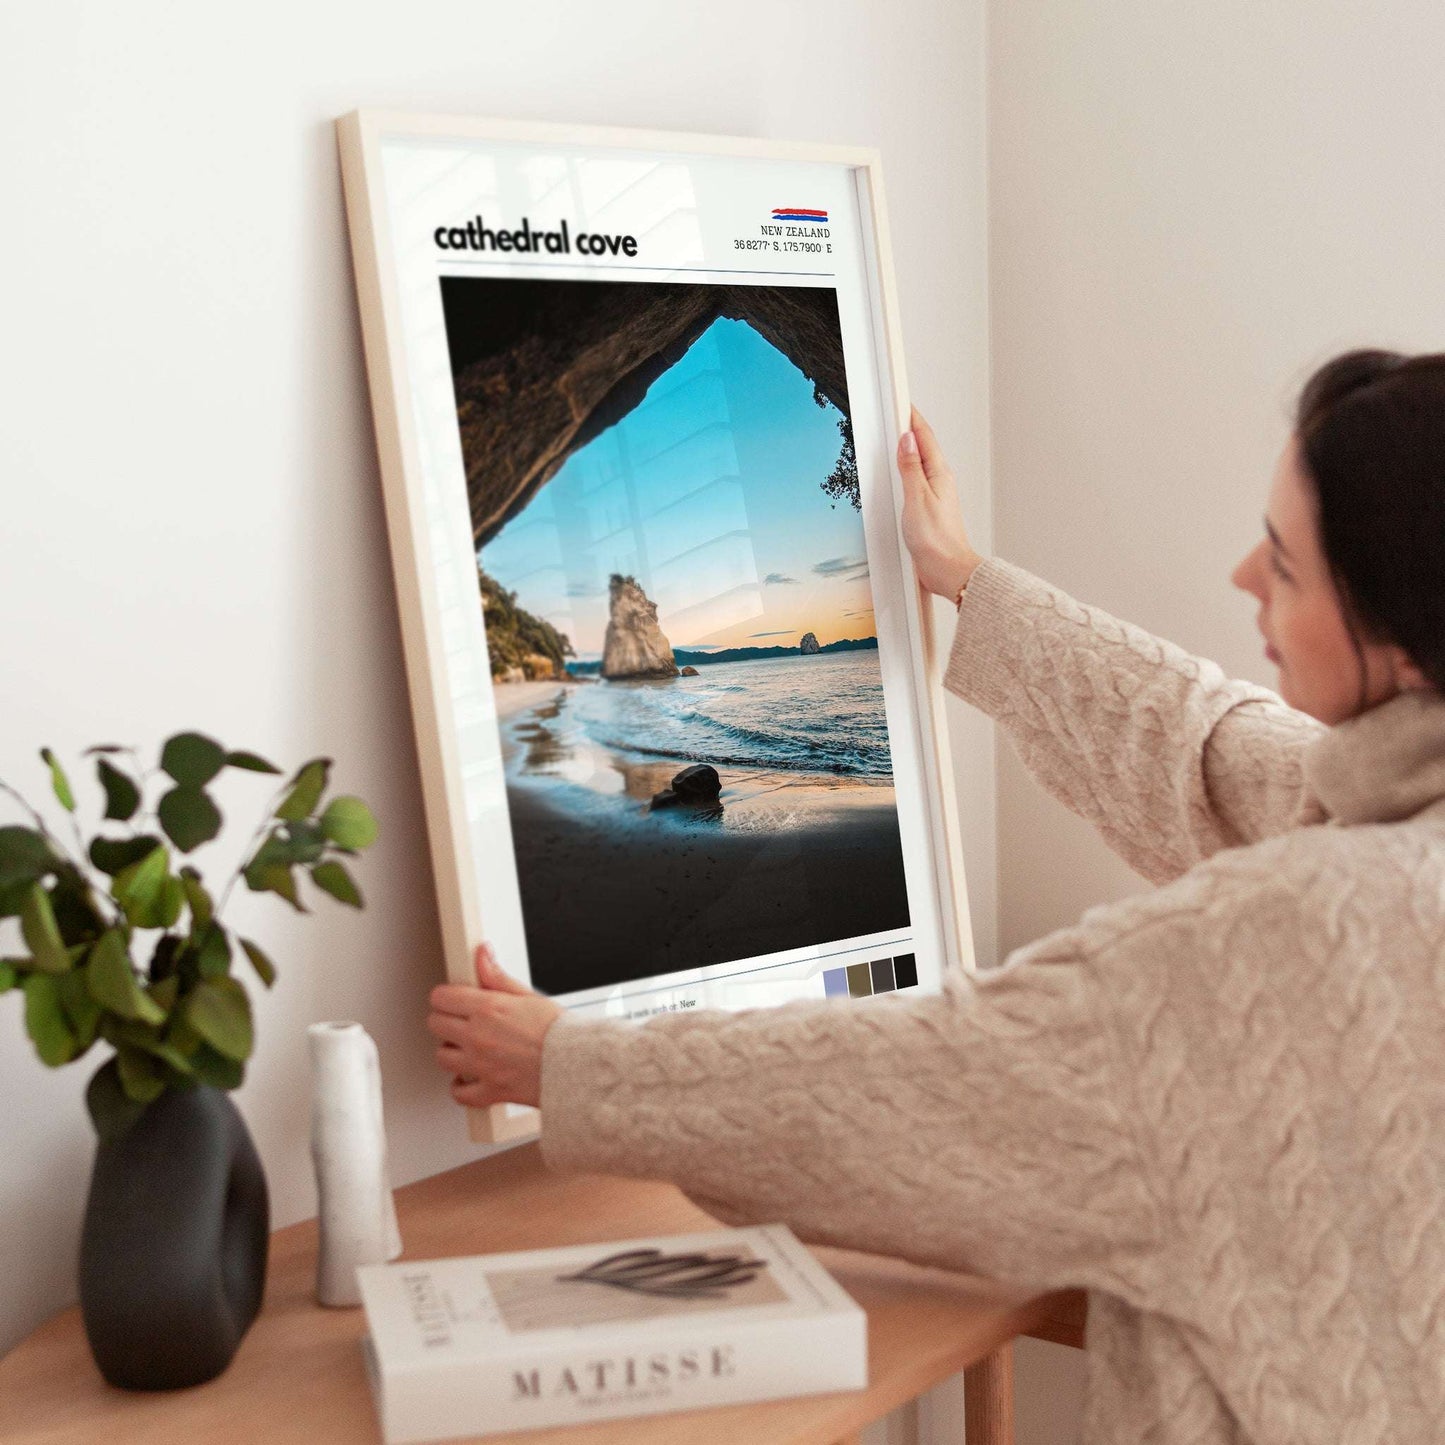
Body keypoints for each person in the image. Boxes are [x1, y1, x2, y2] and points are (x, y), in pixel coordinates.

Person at [427, 349, 1445, 1443]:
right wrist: (963, 576)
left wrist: (565, 1064)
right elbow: (1204, 746)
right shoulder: (1390, 817)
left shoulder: (1286, 937)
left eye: (1286, 565)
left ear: (1397, 640)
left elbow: (924, 1084)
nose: (1244, 574)